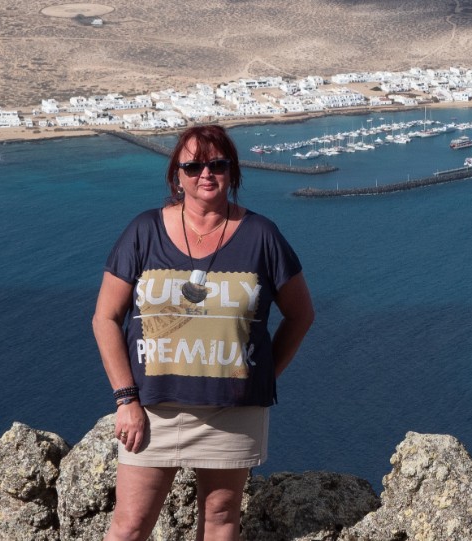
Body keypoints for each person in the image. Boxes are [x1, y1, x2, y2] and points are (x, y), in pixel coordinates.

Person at [92, 124, 314, 541]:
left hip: (232, 412)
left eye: (217, 164)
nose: (205, 174)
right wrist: (126, 399)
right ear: (177, 176)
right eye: (193, 166)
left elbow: (301, 314)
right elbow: (105, 318)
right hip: (152, 411)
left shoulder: (262, 235)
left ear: (233, 172)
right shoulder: (143, 231)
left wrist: (263, 375)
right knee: (130, 525)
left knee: (221, 517)